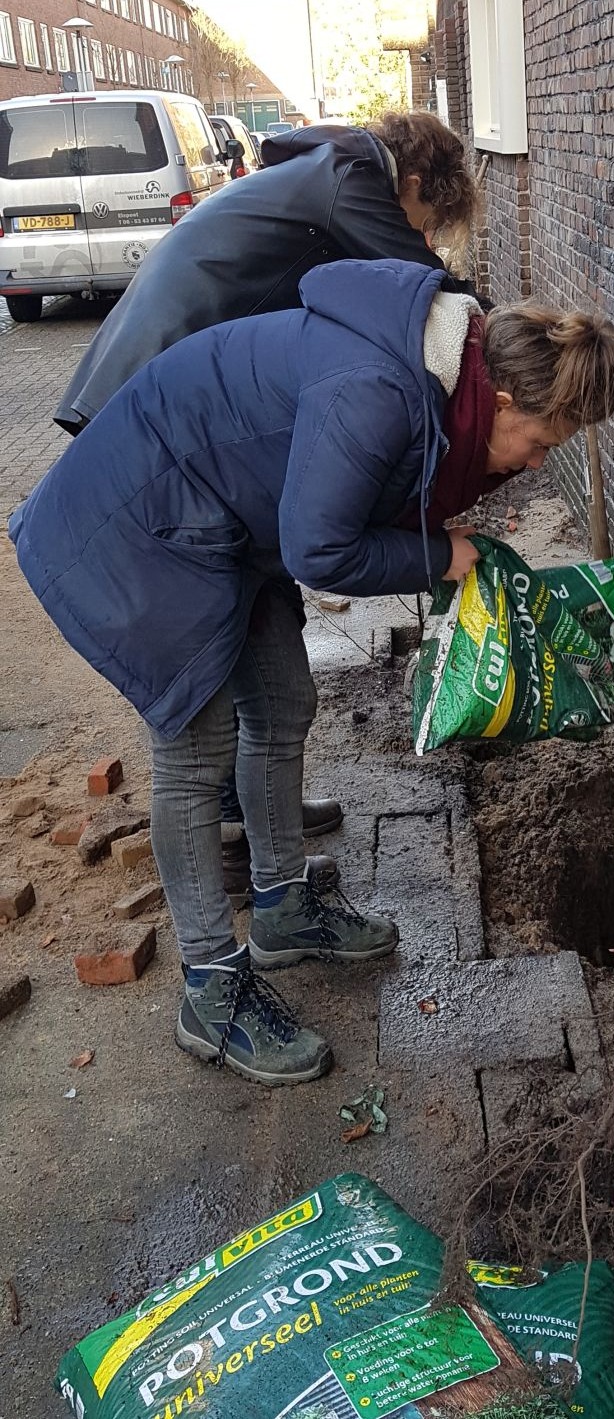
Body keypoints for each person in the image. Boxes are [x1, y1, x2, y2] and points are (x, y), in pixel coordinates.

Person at [12, 258, 614, 1087]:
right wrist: (437, 558)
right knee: (196, 745)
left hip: (231, 516)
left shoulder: (445, 381)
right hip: (151, 513)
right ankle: (210, 986)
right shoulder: (381, 389)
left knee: (282, 702)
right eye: (541, 444)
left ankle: (282, 906)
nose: (531, 465)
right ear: (510, 398)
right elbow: (321, 547)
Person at [54, 110, 480, 905]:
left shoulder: (326, 169)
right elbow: (418, 288)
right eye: (427, 220)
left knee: (268, 638)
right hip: (165, 404)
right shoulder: (354, 176)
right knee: (212, 660)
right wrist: (509, 342)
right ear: (416, 184)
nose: (423, 237)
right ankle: (223, 838)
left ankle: (255, 805)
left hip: (184, 383)